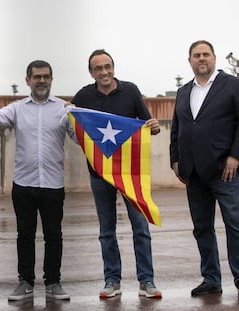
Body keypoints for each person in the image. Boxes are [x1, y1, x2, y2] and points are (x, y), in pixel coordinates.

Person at [0, 60, 76, 301]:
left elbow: (78, 140)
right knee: (24, 235)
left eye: (46, 76)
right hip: (24, 184)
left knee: (54, 235)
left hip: (53, 184)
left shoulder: (64, 108)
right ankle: (25, 282)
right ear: (27, 80)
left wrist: (78, 119)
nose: (41, 81)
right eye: (36, 77)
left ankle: (53, 282)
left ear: (51, 79)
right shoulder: (17, 108)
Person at [71, 49, 162, 299]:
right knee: (106, 230)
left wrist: (153, 127)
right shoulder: (83, 96)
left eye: (107, 66)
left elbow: (147, 125)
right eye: (98, 68)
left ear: (113, 67)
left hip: (131, 174)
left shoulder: (130, 90)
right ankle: (112, 280)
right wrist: (68, 111)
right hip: (99, 174)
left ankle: (147, 281)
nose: (104, 72)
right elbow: (73, 125)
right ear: (91, 72)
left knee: (140, 227)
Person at [170, 40, 239, 296]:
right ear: (189, 60)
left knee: (236, 224)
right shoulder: (183, 91)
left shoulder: (232, 85)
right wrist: (175, 160)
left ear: (214, 58)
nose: (201, 59)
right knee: (202, 228)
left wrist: (235, 156)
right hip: (194, 174)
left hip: (226, 171)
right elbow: (177, 129)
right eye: (196, 55)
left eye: (206, 54)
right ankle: (211, 279)